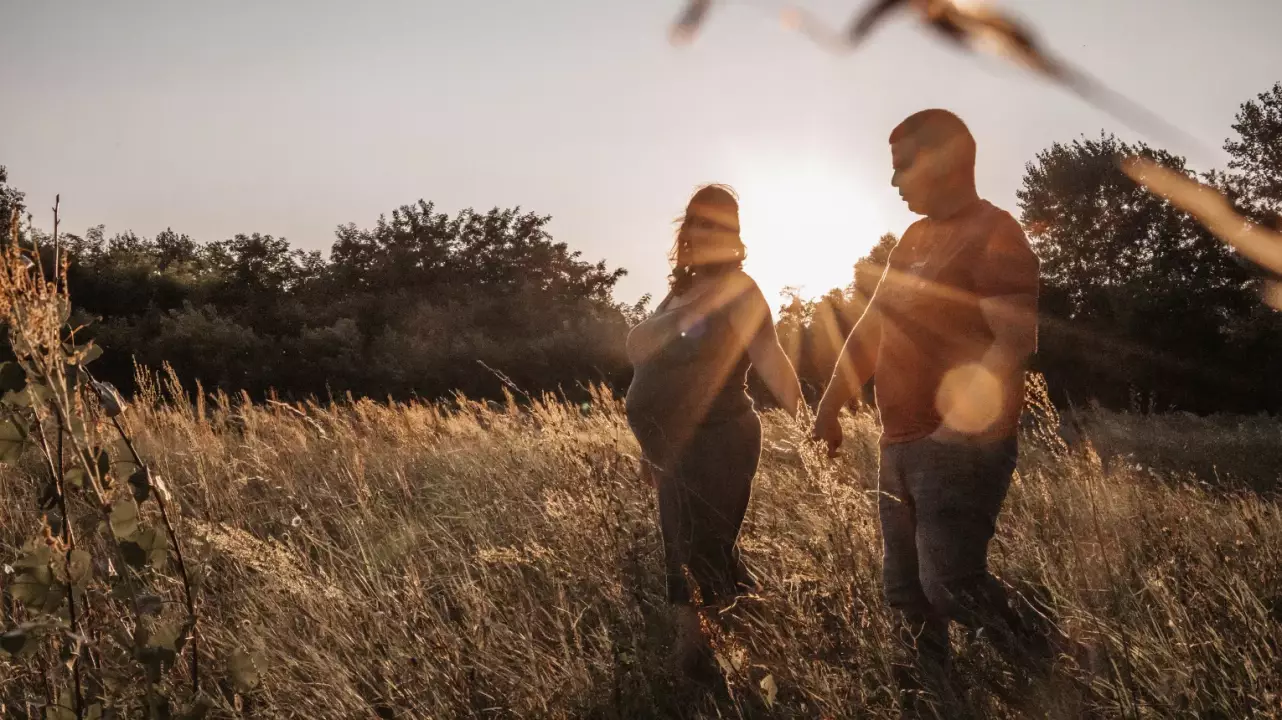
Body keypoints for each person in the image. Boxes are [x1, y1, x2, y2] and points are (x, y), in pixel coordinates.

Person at [811, 110, 1047, 712]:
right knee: (906, 593)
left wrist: (953, 430)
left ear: (941, 162)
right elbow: (869, 329)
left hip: (960, 445)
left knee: (951, 586)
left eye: (901, 168)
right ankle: (935, 701)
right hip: (899, 442)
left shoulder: (995, 231)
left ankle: (1059, 663)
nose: (894, 184)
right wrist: (830, 405)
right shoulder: (913, 241)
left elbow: (1015, 341)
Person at [625, 184, 804, 678]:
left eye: (716, 224)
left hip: (720, 438)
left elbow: (770, 357)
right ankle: (749, 643)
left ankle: (693, 663)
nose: (702, 232)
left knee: (696, 550)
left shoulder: (739, 290)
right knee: (692, 547)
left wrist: (809, 424)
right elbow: (656, 373)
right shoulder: (679, 290)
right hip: (672, 445)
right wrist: (650, 446)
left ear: (732, 235)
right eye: (696, 222)